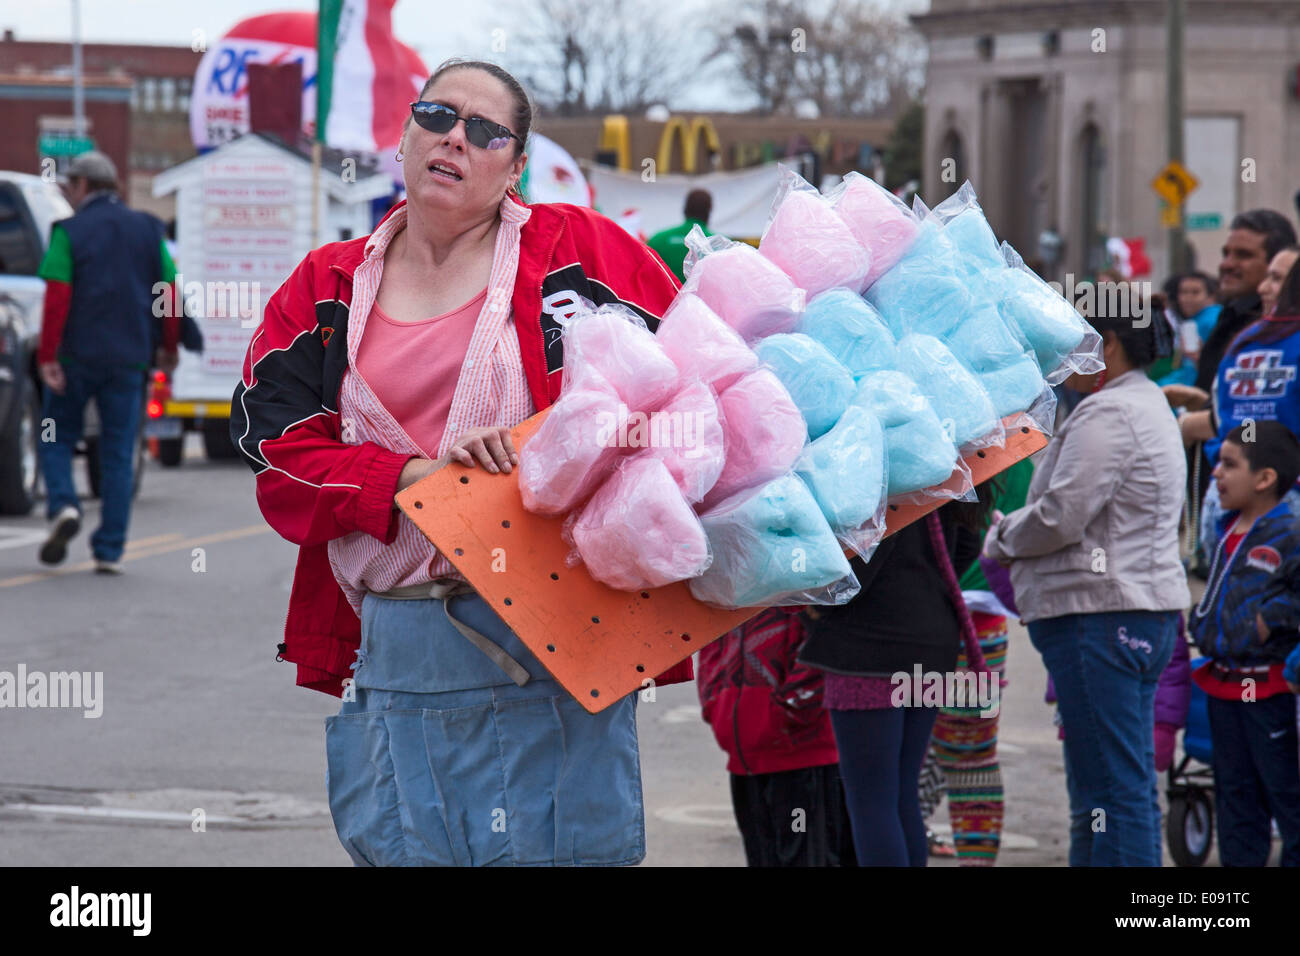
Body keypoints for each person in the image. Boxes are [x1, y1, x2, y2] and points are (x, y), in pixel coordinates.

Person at [230, 58, 692, 867]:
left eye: (485, 132)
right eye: (437, 115)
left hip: (552, 640)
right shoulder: (326, 285)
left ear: (515, 167)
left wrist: (541, 447)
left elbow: (695, 398)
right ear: (405, 135)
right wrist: (414, 476)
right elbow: (274, 448)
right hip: (395, 649)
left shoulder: (582, 255)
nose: (455, 138)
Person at [983, 307, 1189, 867]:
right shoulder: (1144, 405)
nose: (1067, 361)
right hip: (1128, 615)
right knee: (1108, 789)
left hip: (1103, 617)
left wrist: (1002, 536)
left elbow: (1060, 515)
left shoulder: (1111, 413)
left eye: (1079, 345)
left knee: (1114, 791)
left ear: (1112, 345)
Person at [797, 501, 986, 867]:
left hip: (867, 649)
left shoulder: (868, 465)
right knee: (901, 794)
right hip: (931, 644)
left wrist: (816, 604)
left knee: (871, 802)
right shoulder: (942, 456)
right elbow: (967, 545)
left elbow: (858, 568)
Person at [34, 150, 180, 573]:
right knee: (119, 452)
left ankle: (63, 504)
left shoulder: (69, 231)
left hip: (76, 358)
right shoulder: (148, 230)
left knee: (55, 437)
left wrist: (47, 357)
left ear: (83, 186)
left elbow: (57, 295)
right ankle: (109, 549)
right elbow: (169, 291)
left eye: (71, 186)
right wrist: (168, 348)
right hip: (130, 362)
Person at [1189, 421, 1300, 867]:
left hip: (1270, 689)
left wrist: (1265, 622)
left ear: (1265, 478)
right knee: (1233, 795)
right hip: (1225, 686)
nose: (1216, 473)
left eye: (1229, 464)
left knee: (1285, 794)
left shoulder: (1290, 531)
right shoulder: (1224, 527)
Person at [929, 457, 1033, 866]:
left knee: (903, 759)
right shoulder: (1015, 423)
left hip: (931, 611)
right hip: (980, 613)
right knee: (968, 759)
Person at [696, 608, 856, 867]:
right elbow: (710, 642)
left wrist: (789, 711)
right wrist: (714, 702)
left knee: (807, 858)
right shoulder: (731, 582)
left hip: (802, 760)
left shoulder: (806, 576)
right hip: (745, 758)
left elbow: (826, 642)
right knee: (762, 858)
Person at [1170, 247, 1300, 557]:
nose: (1263, 288)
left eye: (1277, 278)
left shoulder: (1246, 341)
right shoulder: (1246, 341)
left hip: (1231, 502)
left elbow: (1242, 424)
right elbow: (1243, 422)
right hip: (1267, 502)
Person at [646, 189, 714, 282]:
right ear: (709, 210)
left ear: (685, 209)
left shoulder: (657, 240)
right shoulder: (719, 245)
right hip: (701, 296)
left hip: (665, 296)